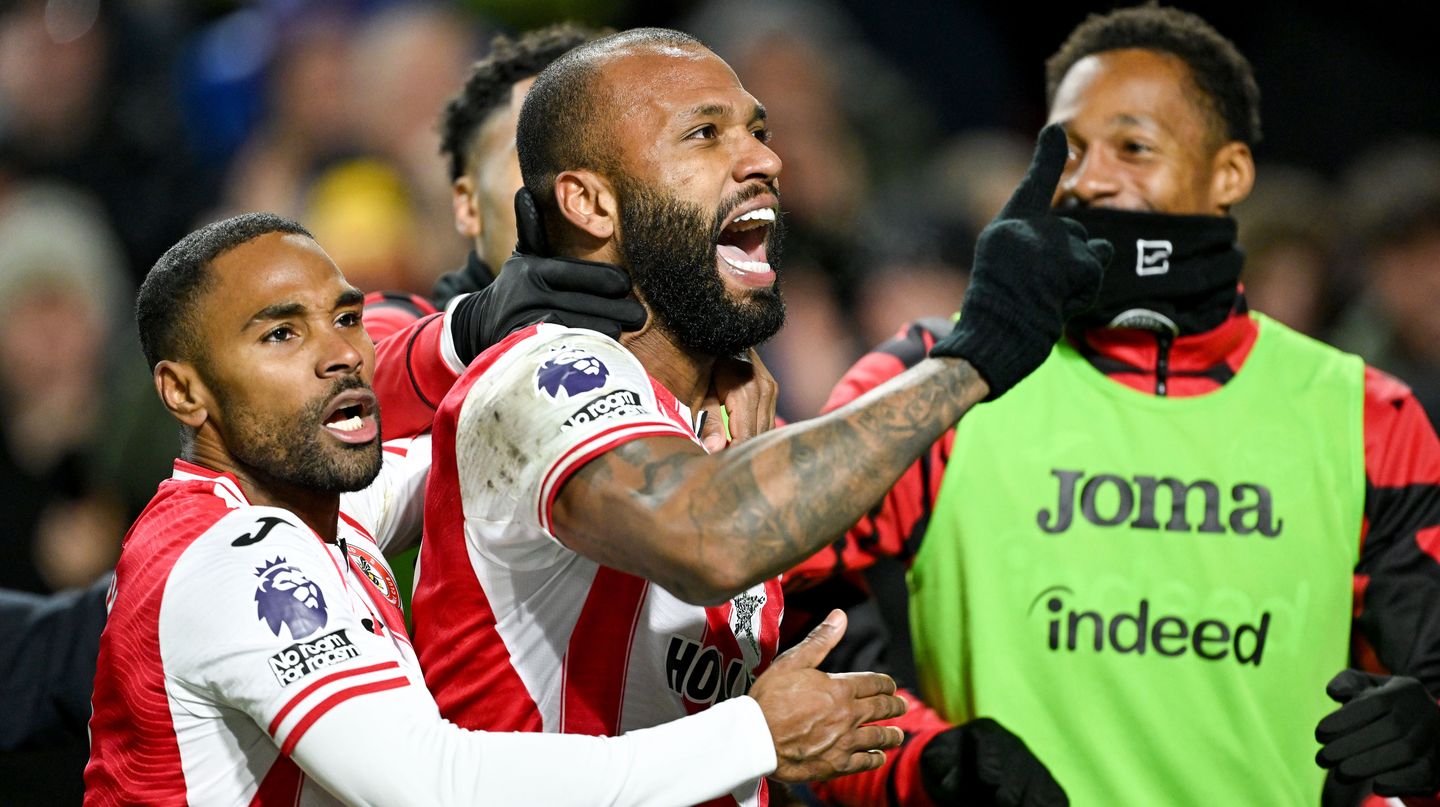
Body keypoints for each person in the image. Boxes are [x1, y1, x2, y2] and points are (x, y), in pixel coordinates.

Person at [409, 26, 1105, 807]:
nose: (766, 161)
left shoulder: (731, 415)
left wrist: (921, 765)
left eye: (760, 131)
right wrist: (969, 360)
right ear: (590, 202)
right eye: (706, 134)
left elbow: (775, 707)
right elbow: (712, 536)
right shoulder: (543, 375)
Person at [786, 6, 1440, 805]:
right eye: (1068, 151)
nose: (1090, 179)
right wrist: (922, 764)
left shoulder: (1369, 417)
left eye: (1134, 147)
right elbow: (776, 611)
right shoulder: (935, 376)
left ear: (1229, 173)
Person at [82, 212, 911, 806]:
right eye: (280, 335)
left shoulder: (310, 511)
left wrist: (684, 397)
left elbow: (467, 447)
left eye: (344, 317)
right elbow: (430, 784)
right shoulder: (241, 554)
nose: (342, 353)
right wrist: (754, 735)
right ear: (183, 391)